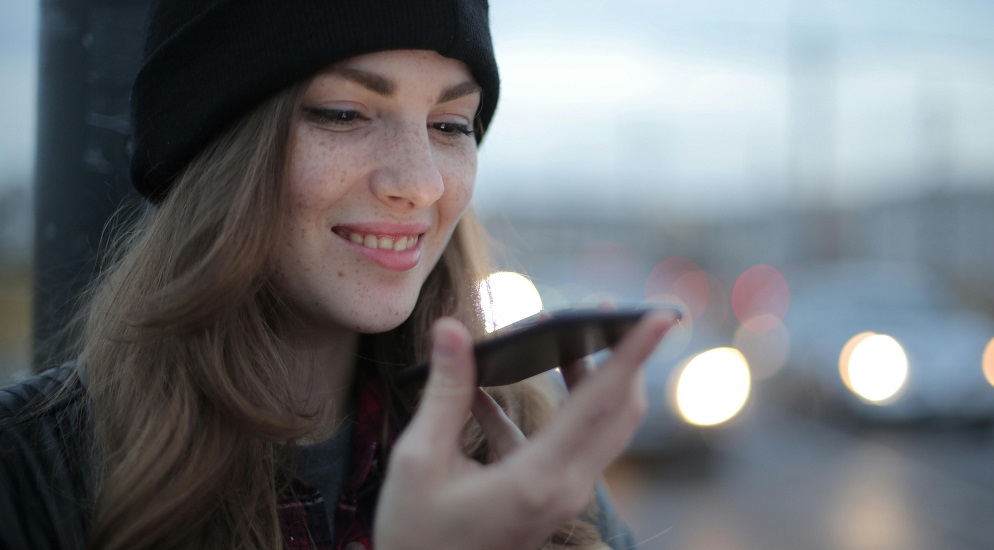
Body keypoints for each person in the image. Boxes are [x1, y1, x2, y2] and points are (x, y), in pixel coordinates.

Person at [0, 0, 676, 548]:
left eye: (450, 125)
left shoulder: (517, 450)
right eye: (344, 114)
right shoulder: (28, 470)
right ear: (216, 151)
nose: (417, 183)